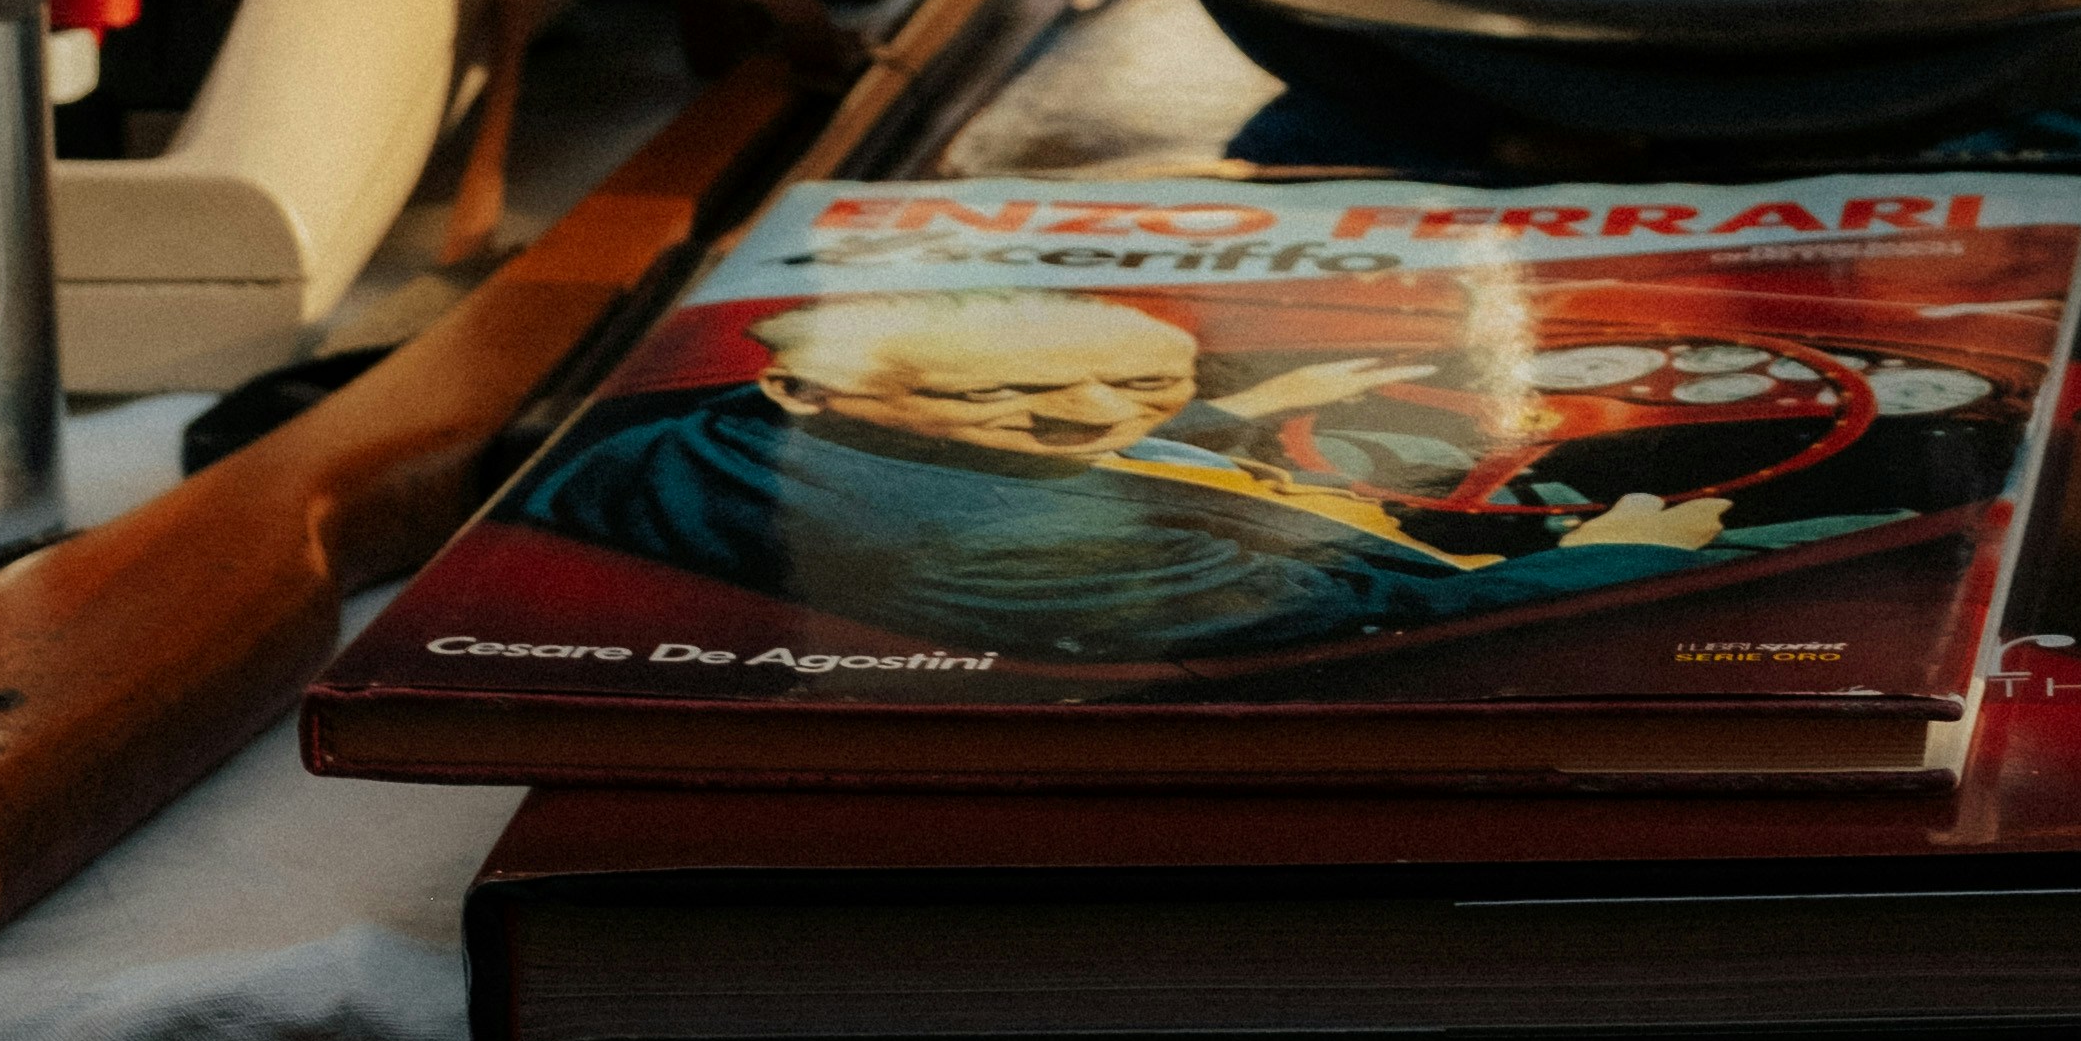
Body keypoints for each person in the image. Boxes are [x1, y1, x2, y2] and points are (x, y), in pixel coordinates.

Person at [518, 288, 1754, 664]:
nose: (1092, 421)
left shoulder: (745, 425)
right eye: (1008, 393)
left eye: (1142, 385)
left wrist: (1232, 415)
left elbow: (1047, 440)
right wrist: (1615, 556)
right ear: (803, 389)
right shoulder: (993, 542)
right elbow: (1342, 624)